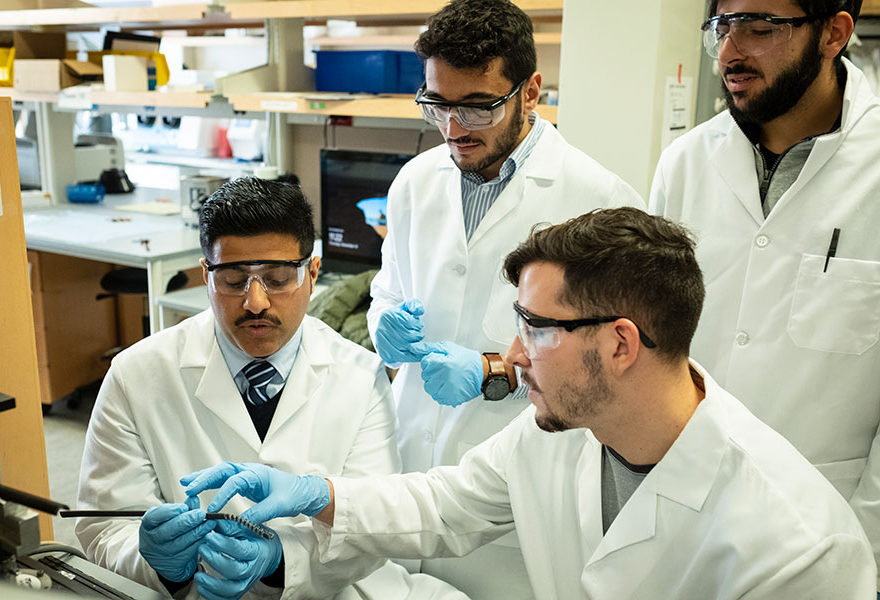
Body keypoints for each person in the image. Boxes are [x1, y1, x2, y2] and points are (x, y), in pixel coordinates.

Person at [184, 207, 877, 599]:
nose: (511, 357)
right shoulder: (563, 430)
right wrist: (314, 492)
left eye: (535, 329)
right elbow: (443, 506)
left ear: (620, 344)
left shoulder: (801, 551)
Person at [75, 178, 467, 600]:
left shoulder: (360, 375)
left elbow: (372, 525)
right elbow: (104, 524)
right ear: (206, 275)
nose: (256, 302)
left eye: (278, 279)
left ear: (312, 274)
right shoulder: (137, 374)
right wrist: (156, 562)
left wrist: (282, 561)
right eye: (233, 279)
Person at [367, 1, 643, 595]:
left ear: (531, 91)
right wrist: (384, 320)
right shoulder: (416, 181)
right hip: (410, 454)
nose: (453, 128)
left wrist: (494, 371)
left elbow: (615, 367)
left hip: (517, 488)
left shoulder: (598, 199)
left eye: (477, 106)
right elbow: (387, 287)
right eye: (437, 104)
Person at [649, 0, 880, 590]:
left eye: (759, 29)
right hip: (680, 508)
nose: (730, 53)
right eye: (721, 29)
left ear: (834, 33)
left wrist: (867, 548)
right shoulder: (683, 164)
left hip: (828, 527)